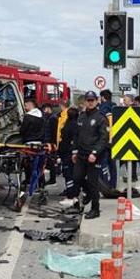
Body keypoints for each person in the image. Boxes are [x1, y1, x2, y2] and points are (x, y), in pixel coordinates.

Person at [71, 91, 109, 219]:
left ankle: (95, 209)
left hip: (94, 156)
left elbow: (104, 138)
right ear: (85, 101)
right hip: (81, 154)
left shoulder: (101, 118)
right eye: (88, 100)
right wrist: (74, 151)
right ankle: (88, 193)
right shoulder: (81, 116)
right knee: (77, 178)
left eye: (92, 100)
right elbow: (76, 135)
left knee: (93, 183)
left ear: (97, 101)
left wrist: (95, 153)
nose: (90, 102)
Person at [58, 107, 79, 200]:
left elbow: (64, 141)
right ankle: (74, 193)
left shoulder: (67, 126)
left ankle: (70, 194)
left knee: (68, 174)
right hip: (74, 153)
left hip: (67, 153)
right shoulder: (78, 126)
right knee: (75, 174)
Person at [42, 104, 59, 185]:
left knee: (51, 161)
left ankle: (53, 178)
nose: (44, 111)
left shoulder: (52, 119)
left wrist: (51, 142)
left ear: (48, 108)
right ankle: (53, 178)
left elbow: (53, 132)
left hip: (51, 143)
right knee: (51, 161)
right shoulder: (51, 118)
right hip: (51, 142)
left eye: (45, 109)